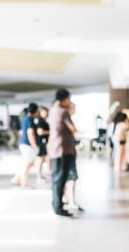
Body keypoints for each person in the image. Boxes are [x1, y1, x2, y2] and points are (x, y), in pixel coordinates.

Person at [48, 89, 77, 217]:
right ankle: (58, 207)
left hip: (55, 148)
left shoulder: (53, 110)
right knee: (60, 178)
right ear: (65, 99)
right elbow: (73, 128)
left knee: (56, 178)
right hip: (63, 149)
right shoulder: (63, 111)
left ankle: (56, 203)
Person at [11, 103, 39, 188]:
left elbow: (21, 132)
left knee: (29, 164)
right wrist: (34, 144)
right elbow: (30, 133)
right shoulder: (30, 119)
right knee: (27, 165)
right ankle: (24, 184)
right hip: (28, 145)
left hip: (24, 144)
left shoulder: (25, 118)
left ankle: (16, 179)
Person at [62, 102, 84, 212]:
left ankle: (67, 198)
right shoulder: (66, 118)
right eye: (73, 108)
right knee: (72, 177)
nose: (74, 110)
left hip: (66, 151)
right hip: (68, 152)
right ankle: (71, 202)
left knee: (67, 177)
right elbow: (74, 130)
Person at [37, 106, 51, 180]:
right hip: (42, 142)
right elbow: (40, 132)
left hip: (45, 142)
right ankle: (39, 175)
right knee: (41, 159)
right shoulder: (40, 121)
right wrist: (50, 132)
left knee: (45, 158)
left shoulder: (45, 121)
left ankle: (42, 174)